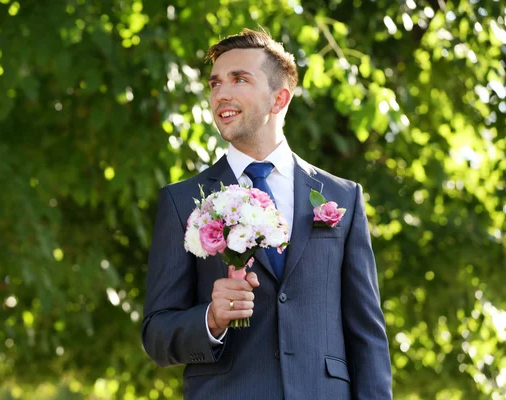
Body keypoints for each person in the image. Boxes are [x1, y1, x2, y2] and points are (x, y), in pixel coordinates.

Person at [142, 28, 392, 399]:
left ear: (280, 98)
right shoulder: (183, 201)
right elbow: (156, 334)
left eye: (239, 79)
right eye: (214, 84)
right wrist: (210, 318)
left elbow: (367, 335)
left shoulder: (343, 198)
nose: (221, 93)